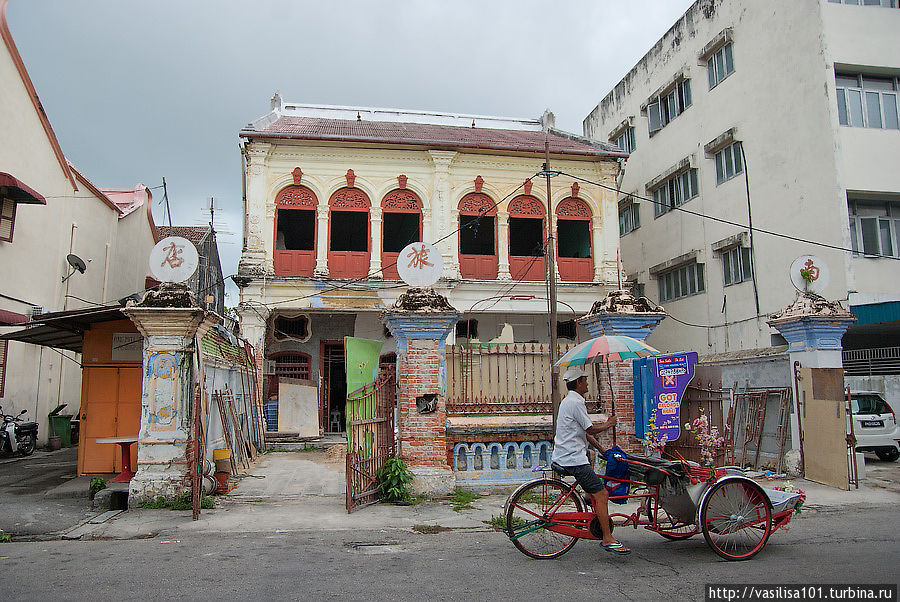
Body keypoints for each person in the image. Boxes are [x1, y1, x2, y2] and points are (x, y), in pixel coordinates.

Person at [551, 366, 631, 556]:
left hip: (567, 456)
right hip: (574, 460)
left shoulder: (569, 401)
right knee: (602, 494)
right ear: (578, 383)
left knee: (593, 490)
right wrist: (609, 424)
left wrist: (603, 450)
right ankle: (607, 538)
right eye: (585, 380)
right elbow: (590, 429)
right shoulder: (576, 403)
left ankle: (589, 500)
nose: (587, 384)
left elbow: (583, 433)